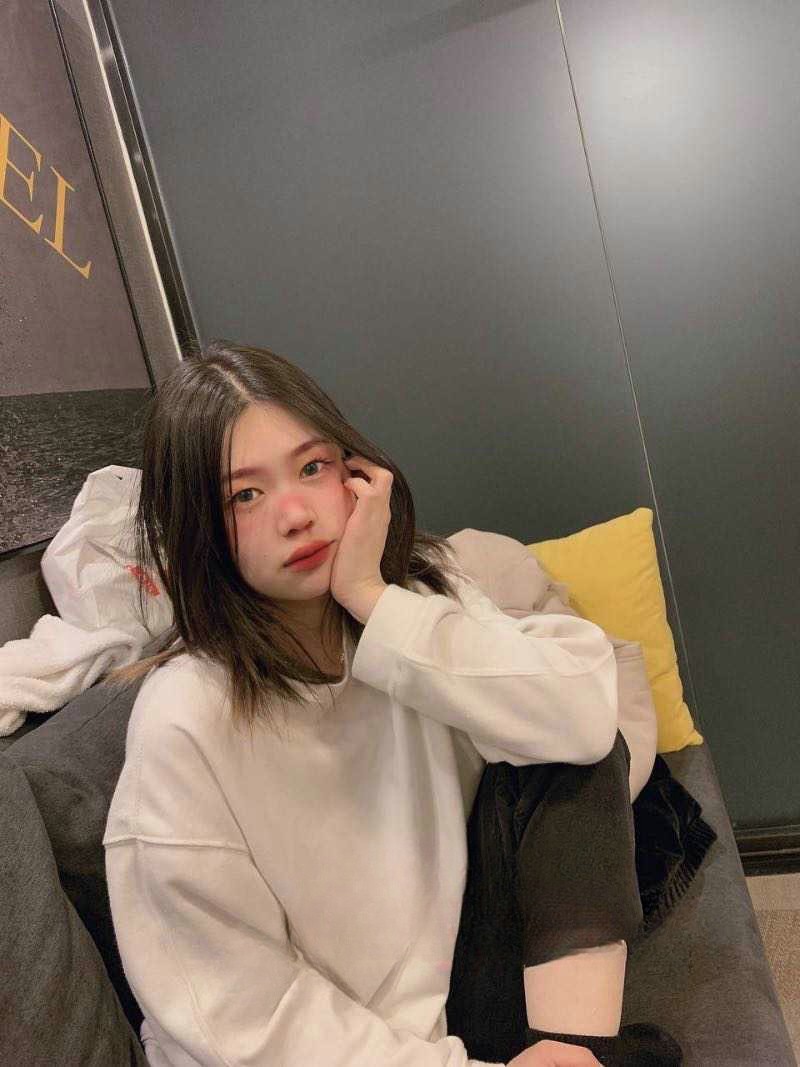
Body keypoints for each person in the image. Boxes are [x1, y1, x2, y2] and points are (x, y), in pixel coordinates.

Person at [101, 339, 683, 1066]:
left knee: (558, 730)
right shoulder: (183, 722)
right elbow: (249, 1019)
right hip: (334, 1050)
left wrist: (372, 599)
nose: (295, 513)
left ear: (357, 474)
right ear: (197, 530)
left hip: (454, 988)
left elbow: (587, 718)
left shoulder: (408, 602)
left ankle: (575, 1053)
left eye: (312, 467)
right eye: (244, 495)